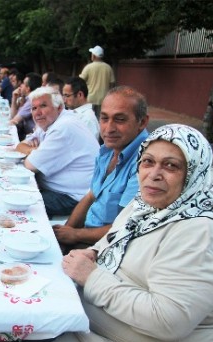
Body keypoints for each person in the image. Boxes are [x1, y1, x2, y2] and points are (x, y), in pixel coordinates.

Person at [13, 124, 213, 342]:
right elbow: (109, 244)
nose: (153, 174)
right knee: (28, 330)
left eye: (170, 166)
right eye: (148, 162)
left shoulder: (203, 234)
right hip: (108, 335)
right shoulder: (145, 206)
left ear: (194, 174)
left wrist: (92, 277)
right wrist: (89, 254)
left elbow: (168, 321)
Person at [54, 86, 149, 251]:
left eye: (119, 119)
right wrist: (65, 233)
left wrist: (75, 235)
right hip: (87, 233)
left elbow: (127, 227)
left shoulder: (147, 161)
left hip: (110, 246)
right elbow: (91, 196)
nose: (109, 128)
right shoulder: (108, 150)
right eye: (104, 118)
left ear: (141, 122)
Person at [15, 87, 99, 217]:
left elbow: (29, 165)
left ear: (59, 107)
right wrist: (34, 150)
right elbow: (20, 146)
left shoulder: (63, 127)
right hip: (61, 191)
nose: (37, 113)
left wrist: (32, 152)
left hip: (73, 198)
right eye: (34, 108)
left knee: (16, 202)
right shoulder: (50, 122)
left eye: (43, 106)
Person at [79, 45, 115, 117]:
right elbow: (112, 83)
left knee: (89, 117)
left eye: (92, 54)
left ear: (94, 56)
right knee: (101, 118)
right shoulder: (108, 68)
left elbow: (80, 81)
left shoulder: (88, 67)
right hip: (103, 99)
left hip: (90, 98)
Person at [61, 76, 100, 141]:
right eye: (63, 96)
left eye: (67, 96)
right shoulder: (69, 112)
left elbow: (88, 147)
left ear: (80, 95)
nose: (64, 100)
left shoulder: (87, 119)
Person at [10, 72, 42, 140]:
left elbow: (14, 120)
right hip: (27, 134)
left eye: (23, 83)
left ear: (28, 88)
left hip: (32, 138)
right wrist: (14, 98)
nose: (21, 85)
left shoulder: (32, 100)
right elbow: (13, 117)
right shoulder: (27, 99)